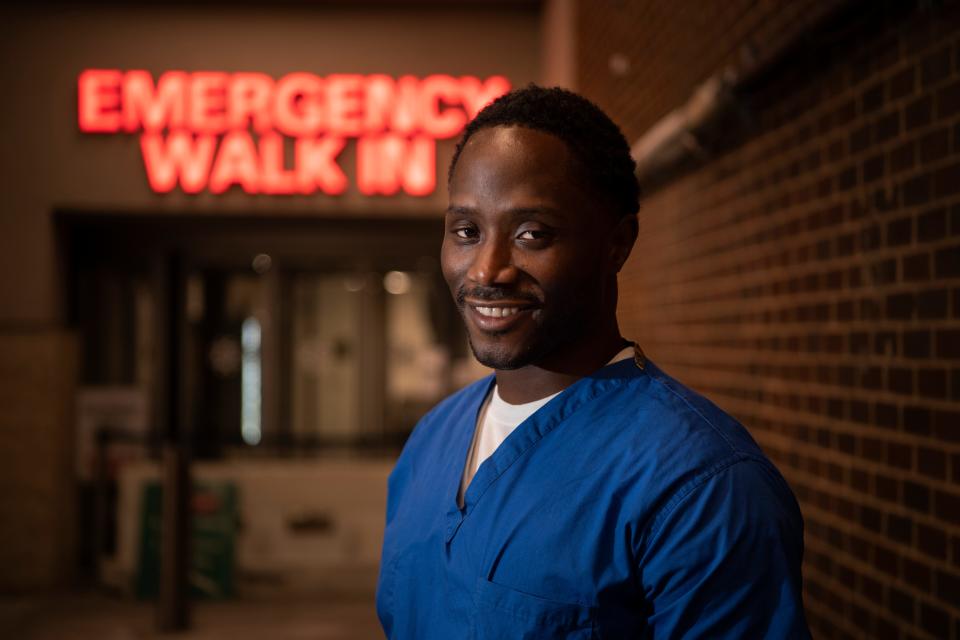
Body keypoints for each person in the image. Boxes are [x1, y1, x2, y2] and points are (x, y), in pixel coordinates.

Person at [376, 85, 810, 639]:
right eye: (467, 232)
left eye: (532, 234)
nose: (487, 269)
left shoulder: (703, 487)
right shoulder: (431, 441)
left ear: (617, 244)